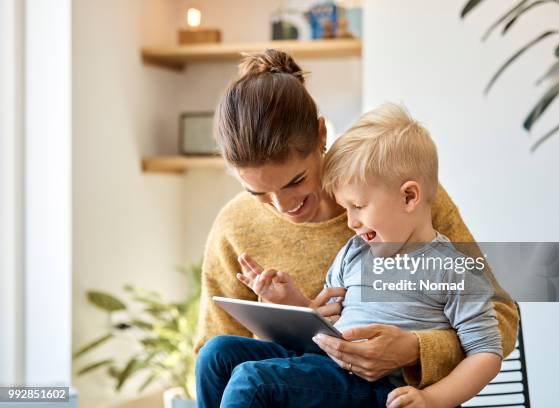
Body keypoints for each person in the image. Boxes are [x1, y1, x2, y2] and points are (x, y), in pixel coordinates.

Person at [194, 48, 518, 403]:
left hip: (377, 390)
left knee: (252, 380)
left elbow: (498, 319)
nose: (282, 206)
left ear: (320, 135)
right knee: (218, 356)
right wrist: (291, 310)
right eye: (257, 192)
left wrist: (415, 350)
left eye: (295, 181)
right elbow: (325, 323)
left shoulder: (398, 191)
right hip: (310, 376)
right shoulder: (344, 248)